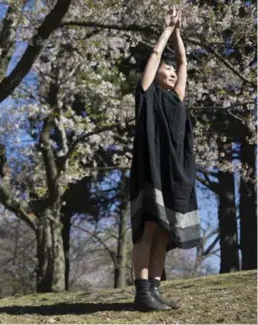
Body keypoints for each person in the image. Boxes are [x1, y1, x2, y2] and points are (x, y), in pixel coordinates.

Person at [129, 7, 201, 312]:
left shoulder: (177, 98)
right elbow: (158, 54)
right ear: (155, 73)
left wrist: (179, 33)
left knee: (163, 235)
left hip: (174, 171)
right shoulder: (147, 93)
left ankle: (155, 291)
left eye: (174, 73)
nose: (172, 73)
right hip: (151, 168)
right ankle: (142, 292)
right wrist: (166, 30)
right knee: (147, 231)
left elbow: (183, 61)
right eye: (166, 71)